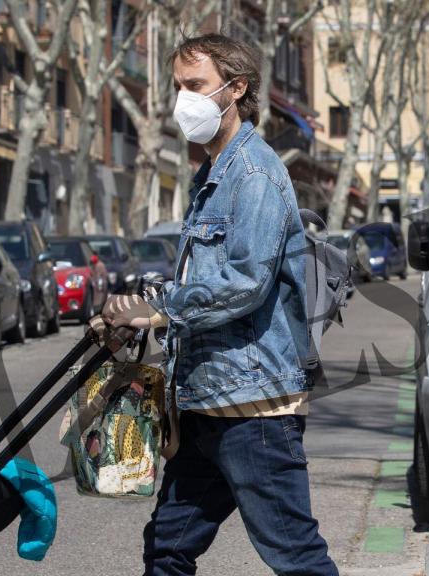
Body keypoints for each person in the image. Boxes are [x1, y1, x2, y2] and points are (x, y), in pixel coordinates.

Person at [100, 34, 338, 576]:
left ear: (237, 89)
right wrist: (136, 307)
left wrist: (161, 311)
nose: (184, 99)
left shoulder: (253, 173)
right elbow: (201, 276)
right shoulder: (211, 174)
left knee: (296, 557)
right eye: (179, 87)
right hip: (206, 403)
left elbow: (245, 281)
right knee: (167, 546)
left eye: (196, 86)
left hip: (253, 411)